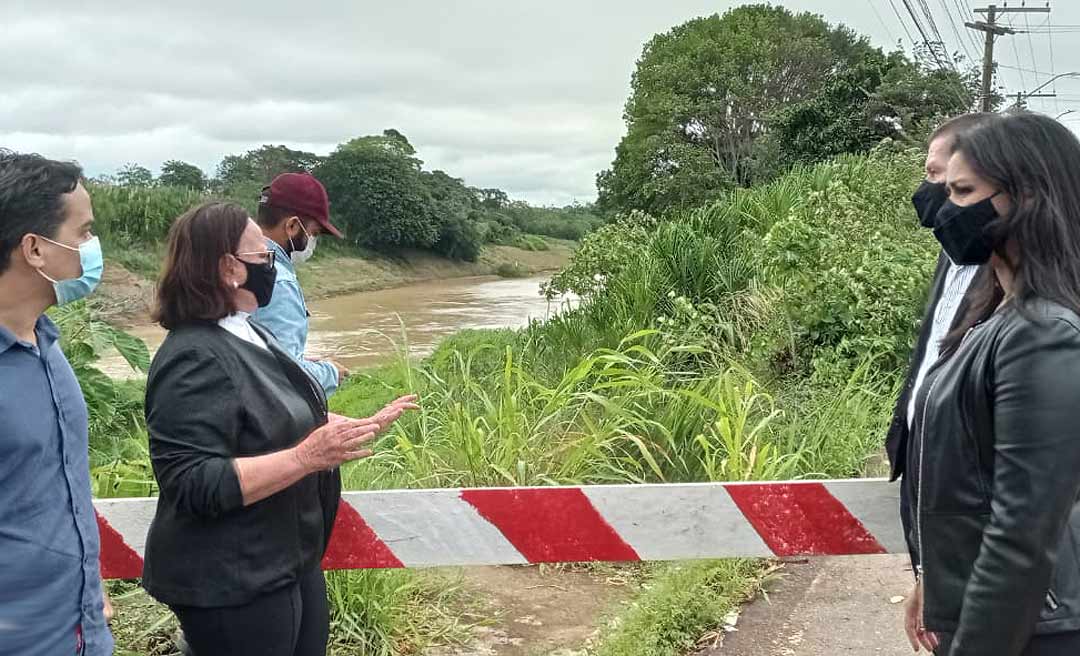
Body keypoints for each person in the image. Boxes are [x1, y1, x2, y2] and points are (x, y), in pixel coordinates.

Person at [142, 201, 418, 656]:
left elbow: (267, 416)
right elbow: (191, 483)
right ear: (230, 268)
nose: (273, 264)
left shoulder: (247, 330)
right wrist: (306, 457)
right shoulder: (192, 355)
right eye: (262, 256)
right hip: (232, 578)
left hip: (285, 558)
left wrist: (334, 426)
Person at [903, 112, 1080, 655]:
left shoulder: (1043, 332)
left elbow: (1022, 533)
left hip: (1035, 630)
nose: (944, 210)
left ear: (1025, 197)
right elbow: (977, 484)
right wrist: (936, 580)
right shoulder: (996, 315)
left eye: (961, 191)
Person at [884, 113, 993, 652]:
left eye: (952, 185)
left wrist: (940, 580)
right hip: (932, 481)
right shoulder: (955, 258)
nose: (932, 198)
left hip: (974, 529)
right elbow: (931, 355)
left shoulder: (1027, 298)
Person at [0, 150, 113, 654]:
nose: (92, 248)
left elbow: (56, 489)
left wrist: (89, 584)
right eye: (83, 232)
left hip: (82, 632)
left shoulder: (45, 345)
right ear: (35, 249)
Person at [252, 172, 348, 397]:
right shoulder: (278, 281)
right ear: (293, 226)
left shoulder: (237, 262)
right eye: (313, 233)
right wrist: (330, 372)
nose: (313, 242)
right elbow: (283, 376)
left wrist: (299, 360)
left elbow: (256, 353)